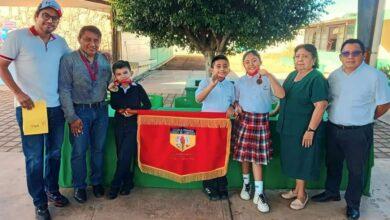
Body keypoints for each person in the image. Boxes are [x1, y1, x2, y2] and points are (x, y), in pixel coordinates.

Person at [0, 1, 70, 219]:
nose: (50, 20)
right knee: (35, 158)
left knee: (55, 153)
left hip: (55, 108)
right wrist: (18, 94)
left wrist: (96, 54)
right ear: (36, 15)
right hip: (30, 109)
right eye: (46, 15)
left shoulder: (60, 42)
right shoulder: (18, 37)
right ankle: (39, 202)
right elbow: (1, 65)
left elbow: (71, 62)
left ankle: (52, 191)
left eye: (55, 18)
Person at [312, 39, 390, 220]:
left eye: (355, 53)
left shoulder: (375, 76)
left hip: (358, 131)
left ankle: (353, 205)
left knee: (356, 170)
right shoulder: (334, 76)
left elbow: (384, 104)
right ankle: (332, 192)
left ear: (363, 55)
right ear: (340, 56)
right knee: (333, 163)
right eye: (346, 53)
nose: (350, 57)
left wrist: (368, 118)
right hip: (333, 127)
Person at [59, 25, 112, 203]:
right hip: (79, 112)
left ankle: (96, 182)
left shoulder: (104, 60)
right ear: (80, 39)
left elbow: (110, 82)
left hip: (101, 111)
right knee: (79, 151)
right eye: (88, 39)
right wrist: (71, 117)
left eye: (96, 40)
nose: (92, 43)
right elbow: (64, 89)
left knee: (98, 149)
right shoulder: (69, 60)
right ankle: (79, 186)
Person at [277, 44, 328, 210]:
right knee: (294, 160)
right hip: (289, 128)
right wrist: (274, 112)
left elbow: (321, 105)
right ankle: (296, 189)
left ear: (313, 60)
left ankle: (302, 194)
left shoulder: (316, 78)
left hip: (304, 129)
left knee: (302, 161)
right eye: (297, 56)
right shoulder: (293, 75)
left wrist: (310, 130)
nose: (300, 59)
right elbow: (284, 97)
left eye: (305, 56)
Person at [233, 50, 285, 213]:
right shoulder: (239, 82)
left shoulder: (267, 79)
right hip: (244, 121)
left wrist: (269, 75)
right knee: (245, 158)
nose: (251, 63)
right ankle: (246, 185)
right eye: (247, 61)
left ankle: (260, 193)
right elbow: (235, 100)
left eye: (254, 60)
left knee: (257, 159)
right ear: (243, 64)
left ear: (260, 61)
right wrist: (236, 106)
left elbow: (281, 94)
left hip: (261, 122)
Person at [106, 60, 151, 199]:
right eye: (118, 74)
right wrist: (119, 108)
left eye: (125, 72)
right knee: (122, 156)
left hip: (133, 125)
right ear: (115, 76)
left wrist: (134, 111)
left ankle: (115, 185)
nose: (123, 76)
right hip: (119, 124)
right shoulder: (115, 89)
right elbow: (113, 105)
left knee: (125, 156)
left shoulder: (138, 88)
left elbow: (148, 106)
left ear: (131, 72)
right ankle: (128, 183)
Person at [195, 55, 235, 200]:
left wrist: (232, 106)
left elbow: (234, 102)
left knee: (222, 155)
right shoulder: (205, 82)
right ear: (212, 68)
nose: (222, 69)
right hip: (207, 125)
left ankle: (222, 185)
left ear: (228, 69)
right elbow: (199, 99)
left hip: (224, 125)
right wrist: (212, 84)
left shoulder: (231, 85)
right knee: (209, 155)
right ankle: (209, 186)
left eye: (225, 66)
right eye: (218, 66)